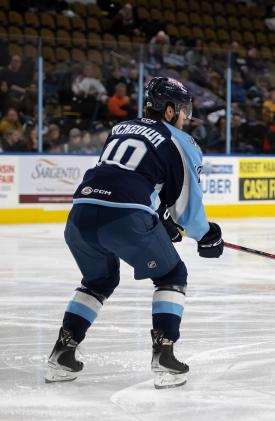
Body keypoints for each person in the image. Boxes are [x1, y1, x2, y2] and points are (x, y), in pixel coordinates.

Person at [45, 77, 224, 389]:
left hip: (80, 216)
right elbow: (189, 208)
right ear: (169, 110)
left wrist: (159, 217)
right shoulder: (182, 141)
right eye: (182, 110)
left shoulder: (121, 128)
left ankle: (62, 352)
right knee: (172, 275)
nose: (185, 116)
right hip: (125, 218)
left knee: (98, 281)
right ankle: (164, 356)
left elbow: (126, 177)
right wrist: (207, 235)